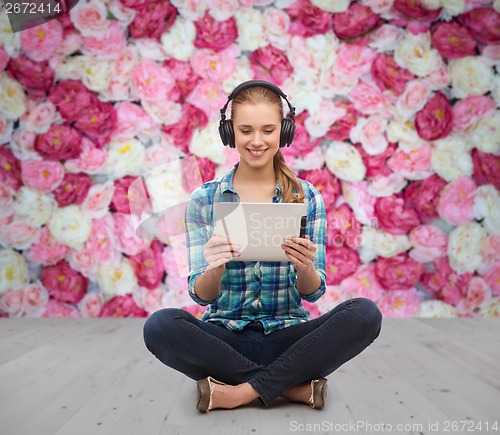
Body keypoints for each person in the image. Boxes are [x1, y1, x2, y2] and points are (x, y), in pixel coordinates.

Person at [143, 80, 383, 413]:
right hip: (225, 340)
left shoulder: (307, 196)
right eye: (246, 130)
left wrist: (305, 267)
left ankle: (241, 392)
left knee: (365, 314)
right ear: (230, 133)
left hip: (290, 339)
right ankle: (287, 386)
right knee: (160, 326)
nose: (257, 141)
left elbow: (313, 293)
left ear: (283, 132)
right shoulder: (204, 199)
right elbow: (201, 296)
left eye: (268, 130)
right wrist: (214, 268)